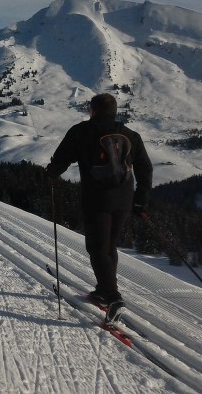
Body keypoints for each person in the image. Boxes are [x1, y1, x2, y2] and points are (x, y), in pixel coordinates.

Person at [45, 93, 152, 322]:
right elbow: (145, 168)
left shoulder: (81, 131)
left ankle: (113, 298)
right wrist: (141, 199)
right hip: (124, 199)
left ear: (92, 110)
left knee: (97, 247)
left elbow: (62, 158)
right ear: (114, 112)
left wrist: (52, 173)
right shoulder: (130, 135)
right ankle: (104, 291)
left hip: (97, 199)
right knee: (108, 246)